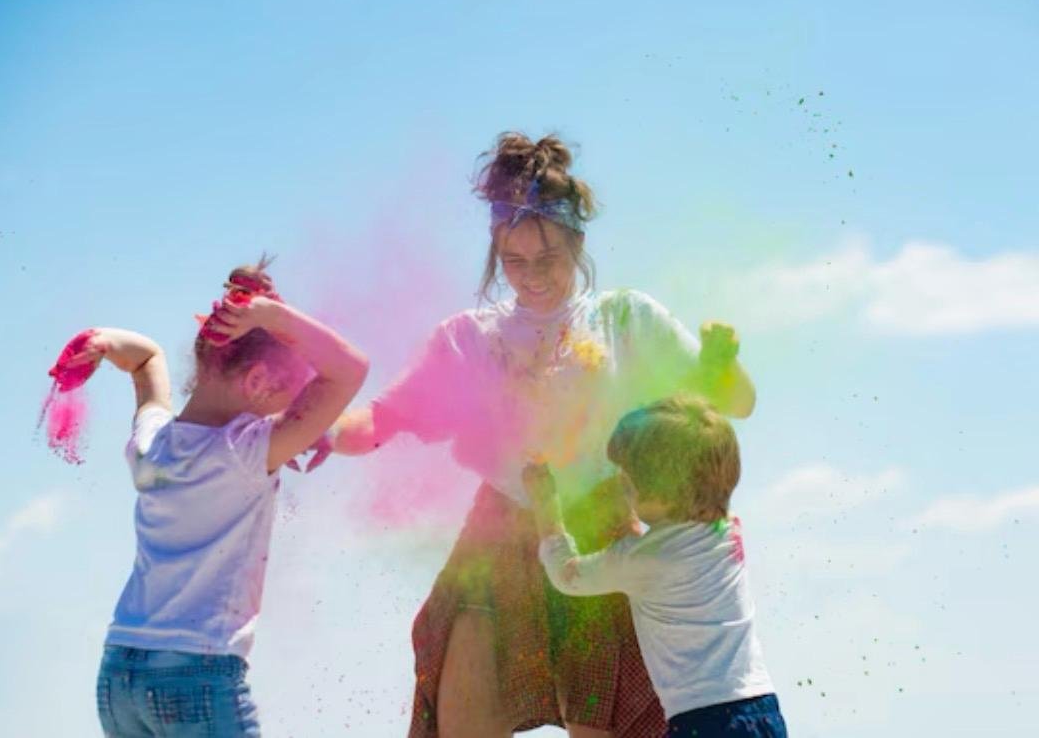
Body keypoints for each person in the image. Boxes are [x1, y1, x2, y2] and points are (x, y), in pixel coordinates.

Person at [328, 132, 756, 737]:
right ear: (497, 252)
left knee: (605, 720)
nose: (533, 277)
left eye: (549, 259)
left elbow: (734, 401)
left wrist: (721, 360)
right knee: (461, 716)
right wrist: (316, 431)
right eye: (515, 262)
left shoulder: (625, 318)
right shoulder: (468, 337)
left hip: (601, 531)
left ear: (578, 243)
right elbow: (382, 418)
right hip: (498, 532)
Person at [73, 259, 368, 737]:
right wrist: (272, 316)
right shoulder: (245, 451)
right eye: (291, 393)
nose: (297, 407)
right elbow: (351, 369)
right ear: (256, 382)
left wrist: (102, 341)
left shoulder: (151, 444)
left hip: (119, 676)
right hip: (196, 674)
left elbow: (146, 362)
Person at [524, 395, 786, 738]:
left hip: (702, 722)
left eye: (628, 481)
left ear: (661, 492)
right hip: (763, 710)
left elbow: (567, 575)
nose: (621, 486)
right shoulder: (729, 529)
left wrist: (547, 505)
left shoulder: (642, 558)